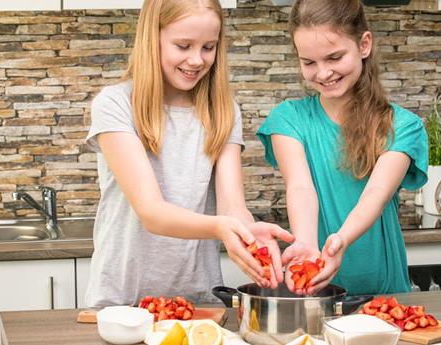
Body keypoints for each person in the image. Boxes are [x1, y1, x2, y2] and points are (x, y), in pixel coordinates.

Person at [84, 0, 293, 308]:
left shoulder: (223, 111)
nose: (196, 60)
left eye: (208, 47)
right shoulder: (115, 104)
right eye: (183, 46)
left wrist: (249, 233)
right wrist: (220, 227)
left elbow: (232, 206)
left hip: (197, 301)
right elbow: (151, 212)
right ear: (151, 38)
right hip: (121, 300)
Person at [256, 0, 428, 296]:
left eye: (334, 57)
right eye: (309, 62)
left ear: (364, 45)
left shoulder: (402, 125)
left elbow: (376, 194)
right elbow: (299, 186)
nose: (322, 73)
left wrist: (342, 240)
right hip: (317, 294)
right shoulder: (288, 119)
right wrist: (307, 243)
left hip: (385, 293)